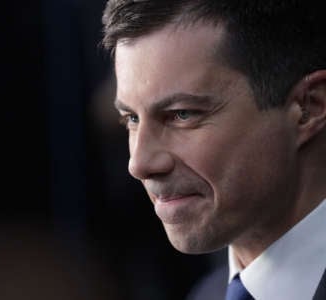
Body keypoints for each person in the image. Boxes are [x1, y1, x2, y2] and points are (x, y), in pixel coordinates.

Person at [101, 1, 326, 299]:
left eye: (182, 114)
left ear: (308, 108)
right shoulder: (206, 294)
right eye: (131, 118)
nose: (139, 163)